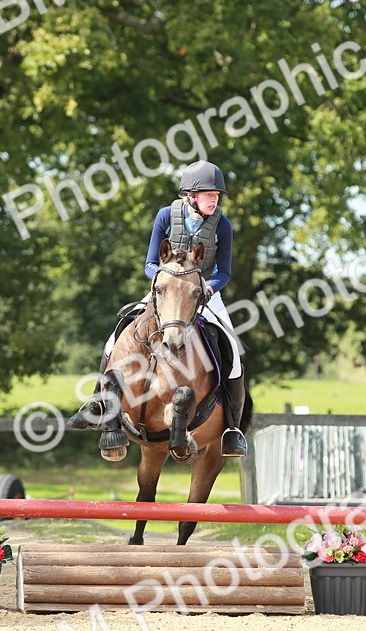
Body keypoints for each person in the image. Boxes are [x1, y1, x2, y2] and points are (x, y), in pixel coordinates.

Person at [66, 160, 248, 457]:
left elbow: (224, 271)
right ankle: (98, 401)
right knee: (116, 337)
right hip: (165, 290)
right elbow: (150, 263)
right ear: (190, 195)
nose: (214, 199)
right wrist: (165, 281)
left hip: (203, 290)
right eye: (208, 195)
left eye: (216, 195)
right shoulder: (165, 216)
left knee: (233, 352)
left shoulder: (223, 225)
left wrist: (209, 287)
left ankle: (232, 429)